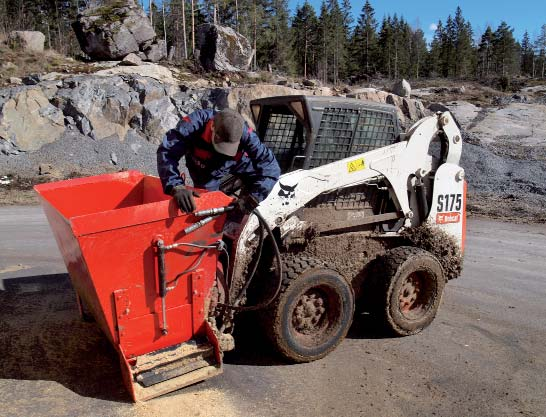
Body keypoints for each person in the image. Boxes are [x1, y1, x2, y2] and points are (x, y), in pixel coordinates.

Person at [157, 108, 280, 214]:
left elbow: (271, 167)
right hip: (204, 167)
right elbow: (167, 153)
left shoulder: (246, 135)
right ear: (212, 126)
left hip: (237, 162)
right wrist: (176, 186)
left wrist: (254, 198)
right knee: (205, 205)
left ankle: (239, 218)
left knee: (260, 180)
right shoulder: (193, 125)